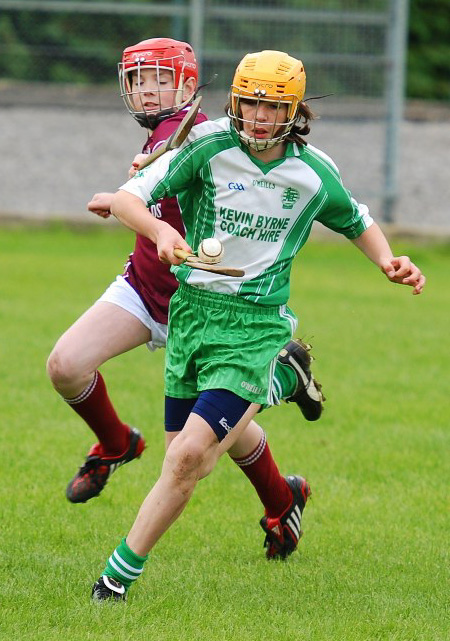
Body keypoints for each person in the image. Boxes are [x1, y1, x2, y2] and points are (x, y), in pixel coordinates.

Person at [90, 48, 425, 601]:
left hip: (256, 324)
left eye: (271, 108)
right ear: (234, 102)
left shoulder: (312, 172)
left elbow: (356, 219)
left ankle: (115, 580)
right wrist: (160, 233)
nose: (258, 117)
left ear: (293, 111)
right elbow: (131, 199)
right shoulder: (207, 144)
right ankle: (287, 380)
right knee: (189, 463)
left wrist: (390, 261)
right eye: (248, 103)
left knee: (186, 457)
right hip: (193, 317)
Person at [47, 40, 323, 557]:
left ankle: (282, 491)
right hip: (145, 290)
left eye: (159, 79)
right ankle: (116, 443)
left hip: (207, 308)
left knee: (214, 437)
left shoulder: (208, 137)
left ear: (191, 87)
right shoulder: (166, 136)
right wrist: (123, 195)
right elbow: (151, 195)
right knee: (65, 364)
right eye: (138, 80)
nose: (147, 89)